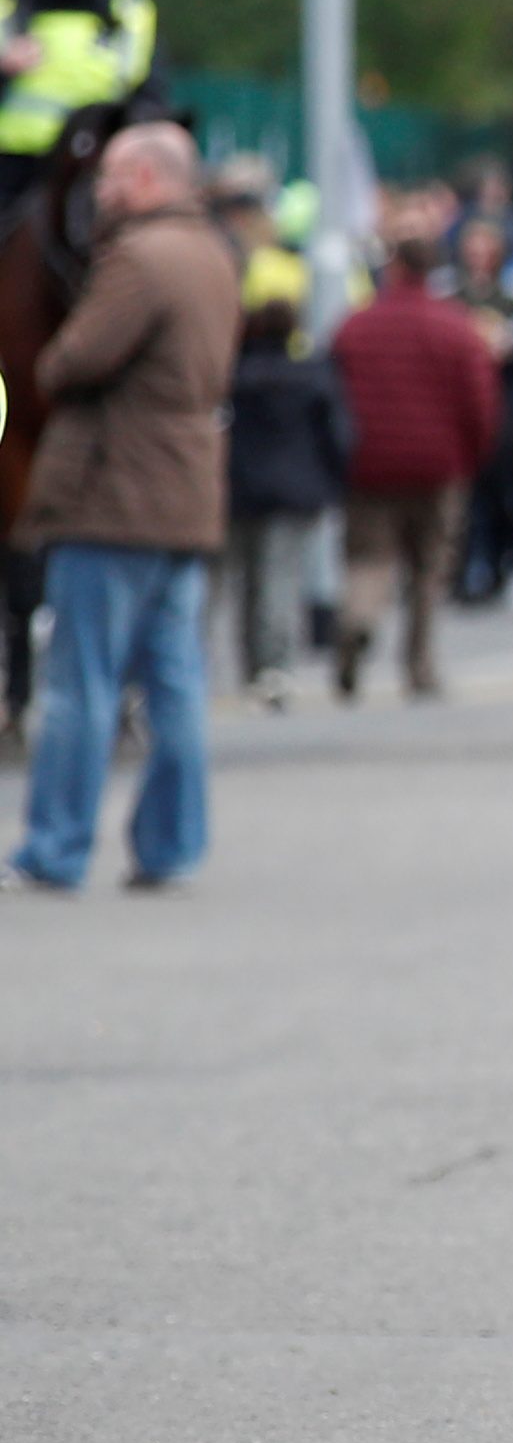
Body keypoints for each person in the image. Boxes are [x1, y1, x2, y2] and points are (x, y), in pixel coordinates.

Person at [16, 124, 233, 888]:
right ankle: (171, 843)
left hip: (115, 493)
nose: (102, 190)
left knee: (82, 682)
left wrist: (53, 358)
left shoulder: (138, 259)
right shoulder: (213, 252)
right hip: (186, 494)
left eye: (111, 175)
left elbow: (70, 361)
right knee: (175, 683)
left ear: (145, 178)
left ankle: (56, 846)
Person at [329, 247, 508, 702]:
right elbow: (480, 402)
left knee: (369, 559)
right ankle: (419, 664)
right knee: (429, 569)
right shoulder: (455, 327)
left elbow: (331, 395)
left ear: (393, 269)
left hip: (369, 465)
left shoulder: (355, 326)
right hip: (440, 465)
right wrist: (473, 455)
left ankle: (359, 622)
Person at [0, 0, 161, 221]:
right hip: (14, 173)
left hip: (99, 172)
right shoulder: (5, 12)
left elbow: (151, 98)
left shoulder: (131, 16)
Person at [221, 297, 350, 705]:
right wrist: (333, 480)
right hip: (294, 489)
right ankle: (276, 666)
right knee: (279, 579)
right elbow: (338, 434)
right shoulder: (311, 376)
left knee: (243, 581)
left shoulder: (235, 377)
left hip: (239, 488)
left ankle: (250, 664)